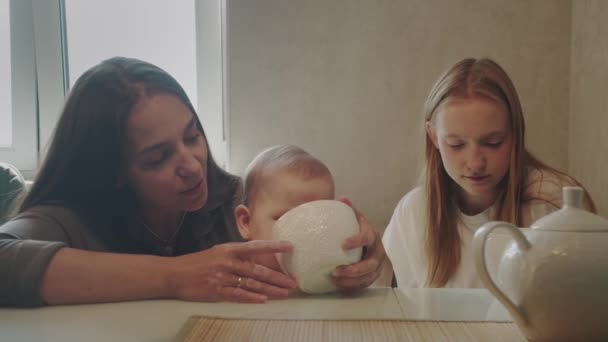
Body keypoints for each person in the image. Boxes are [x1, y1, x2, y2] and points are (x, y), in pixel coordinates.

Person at [0, 57, 384, 307]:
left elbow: (310, 255)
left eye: (192, 136)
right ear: (112, 172)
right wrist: (175, 275)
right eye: (158, 157)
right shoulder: (71, 216)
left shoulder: (243, 202)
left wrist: (357, 255)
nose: (192, 165)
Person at [383, 57, 596, 288]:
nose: (475, 163)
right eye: (455, 144)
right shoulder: (414, 213)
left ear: (515, 133)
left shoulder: (551, 205)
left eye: (493, 142)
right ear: (433, 137)